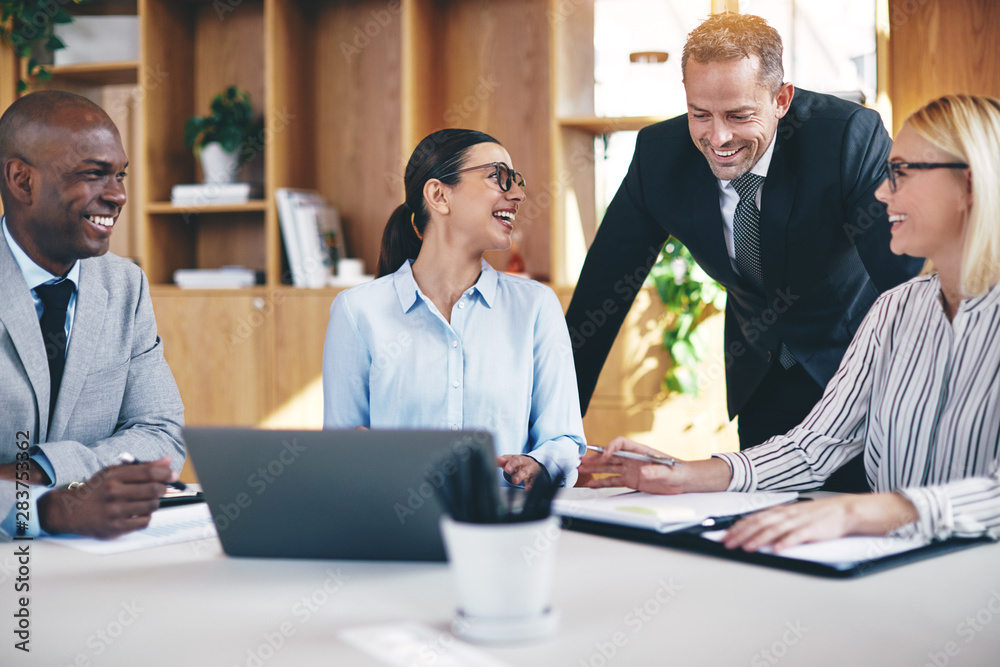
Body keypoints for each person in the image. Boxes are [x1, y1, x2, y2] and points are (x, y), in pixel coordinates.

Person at [580, 94, 1000, 550]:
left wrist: (863, 509)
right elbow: (815, 444)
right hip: (894, 567)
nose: (880, 192)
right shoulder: (893, 312)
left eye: (899, 173)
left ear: (971, 185)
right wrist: (683, 475)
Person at [565, 13, 922, 491]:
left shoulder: (844, 138)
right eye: (700, 114)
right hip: (762, 376)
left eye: (738, 115)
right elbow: (599, 297)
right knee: (760, 527)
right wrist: (554, 439)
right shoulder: (659, 156)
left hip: (860, 371)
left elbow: (907, 282)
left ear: (781, 100)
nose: (717, 138)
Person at [323, 129, 585, 489]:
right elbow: (339, 448)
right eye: (499, 176)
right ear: (439, 195)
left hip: (503, 528)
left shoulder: (536, 307)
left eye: (517, 180)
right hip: (395, 531)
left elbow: (564, 439)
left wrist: (539, 464)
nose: (519, 194)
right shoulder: (357, 311)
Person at [0, 90, 185, 539]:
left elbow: (161, 434)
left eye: (120, 175)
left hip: (93, 564)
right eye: (94, 174)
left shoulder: (125, 285)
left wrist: (40, 472)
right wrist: (50, 511)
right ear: (22, 181)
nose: (118, 195)